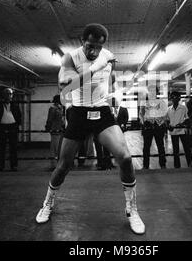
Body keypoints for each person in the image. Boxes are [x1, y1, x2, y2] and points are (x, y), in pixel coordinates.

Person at [35, 23, 145, 235]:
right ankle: (48, 203)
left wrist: (109, 93)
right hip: (78, 113)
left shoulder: (108, 56)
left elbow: (109, 82)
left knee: (125, 158)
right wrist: (95, 67)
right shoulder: (70, 58)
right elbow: (65, 86)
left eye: (98, 47)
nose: (93, 51)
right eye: (89, 46)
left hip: (102, 112)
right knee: (64, 165)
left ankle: (132, 209)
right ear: (82, 42)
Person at [0, 88, 21, 172]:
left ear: (12, 95)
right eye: (7, 94)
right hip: (2, 127)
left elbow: (19, 115)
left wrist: (17, 124)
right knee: (1, 148)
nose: (9, 96)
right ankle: (1, 166)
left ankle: (14, 166)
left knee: (14, 147)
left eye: (10, 94)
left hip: (12, 127)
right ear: (3, 95)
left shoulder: (15, 104)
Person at [139, 88, 168, 169]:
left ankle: (162, 164)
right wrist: (144, 123)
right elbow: (141, 115)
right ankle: (145, 165)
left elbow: (165, 115)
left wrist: (158, 121)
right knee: (146, 147)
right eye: (150, 91)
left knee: (160, 146)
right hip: (148, 126)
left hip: (158, 126)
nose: (152, 93)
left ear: (157, 93)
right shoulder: (144, 102)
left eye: (154, 91)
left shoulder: (161, 102)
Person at [166, 91, 192, 168]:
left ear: (179, 98)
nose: (174, 99)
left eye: (176, 97)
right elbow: (167, 120)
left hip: (182, 131)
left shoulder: (183, 108)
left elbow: (187, 118)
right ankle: (177, 167)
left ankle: (190, 165)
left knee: (187, 149)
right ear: (170, 99)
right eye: (172, 97)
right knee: (175, 150)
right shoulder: (168, 109)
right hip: (173, 132)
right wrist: (168, 126)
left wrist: (182, 124)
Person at [45, 94, 65, 171]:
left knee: (59, 148)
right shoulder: (53, 108)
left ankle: (58, 164)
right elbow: (49, 119)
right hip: (55, 130)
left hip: (60, 130)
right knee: (54, 148)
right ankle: (53, 164)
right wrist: (48, 127)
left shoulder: (61, 108)